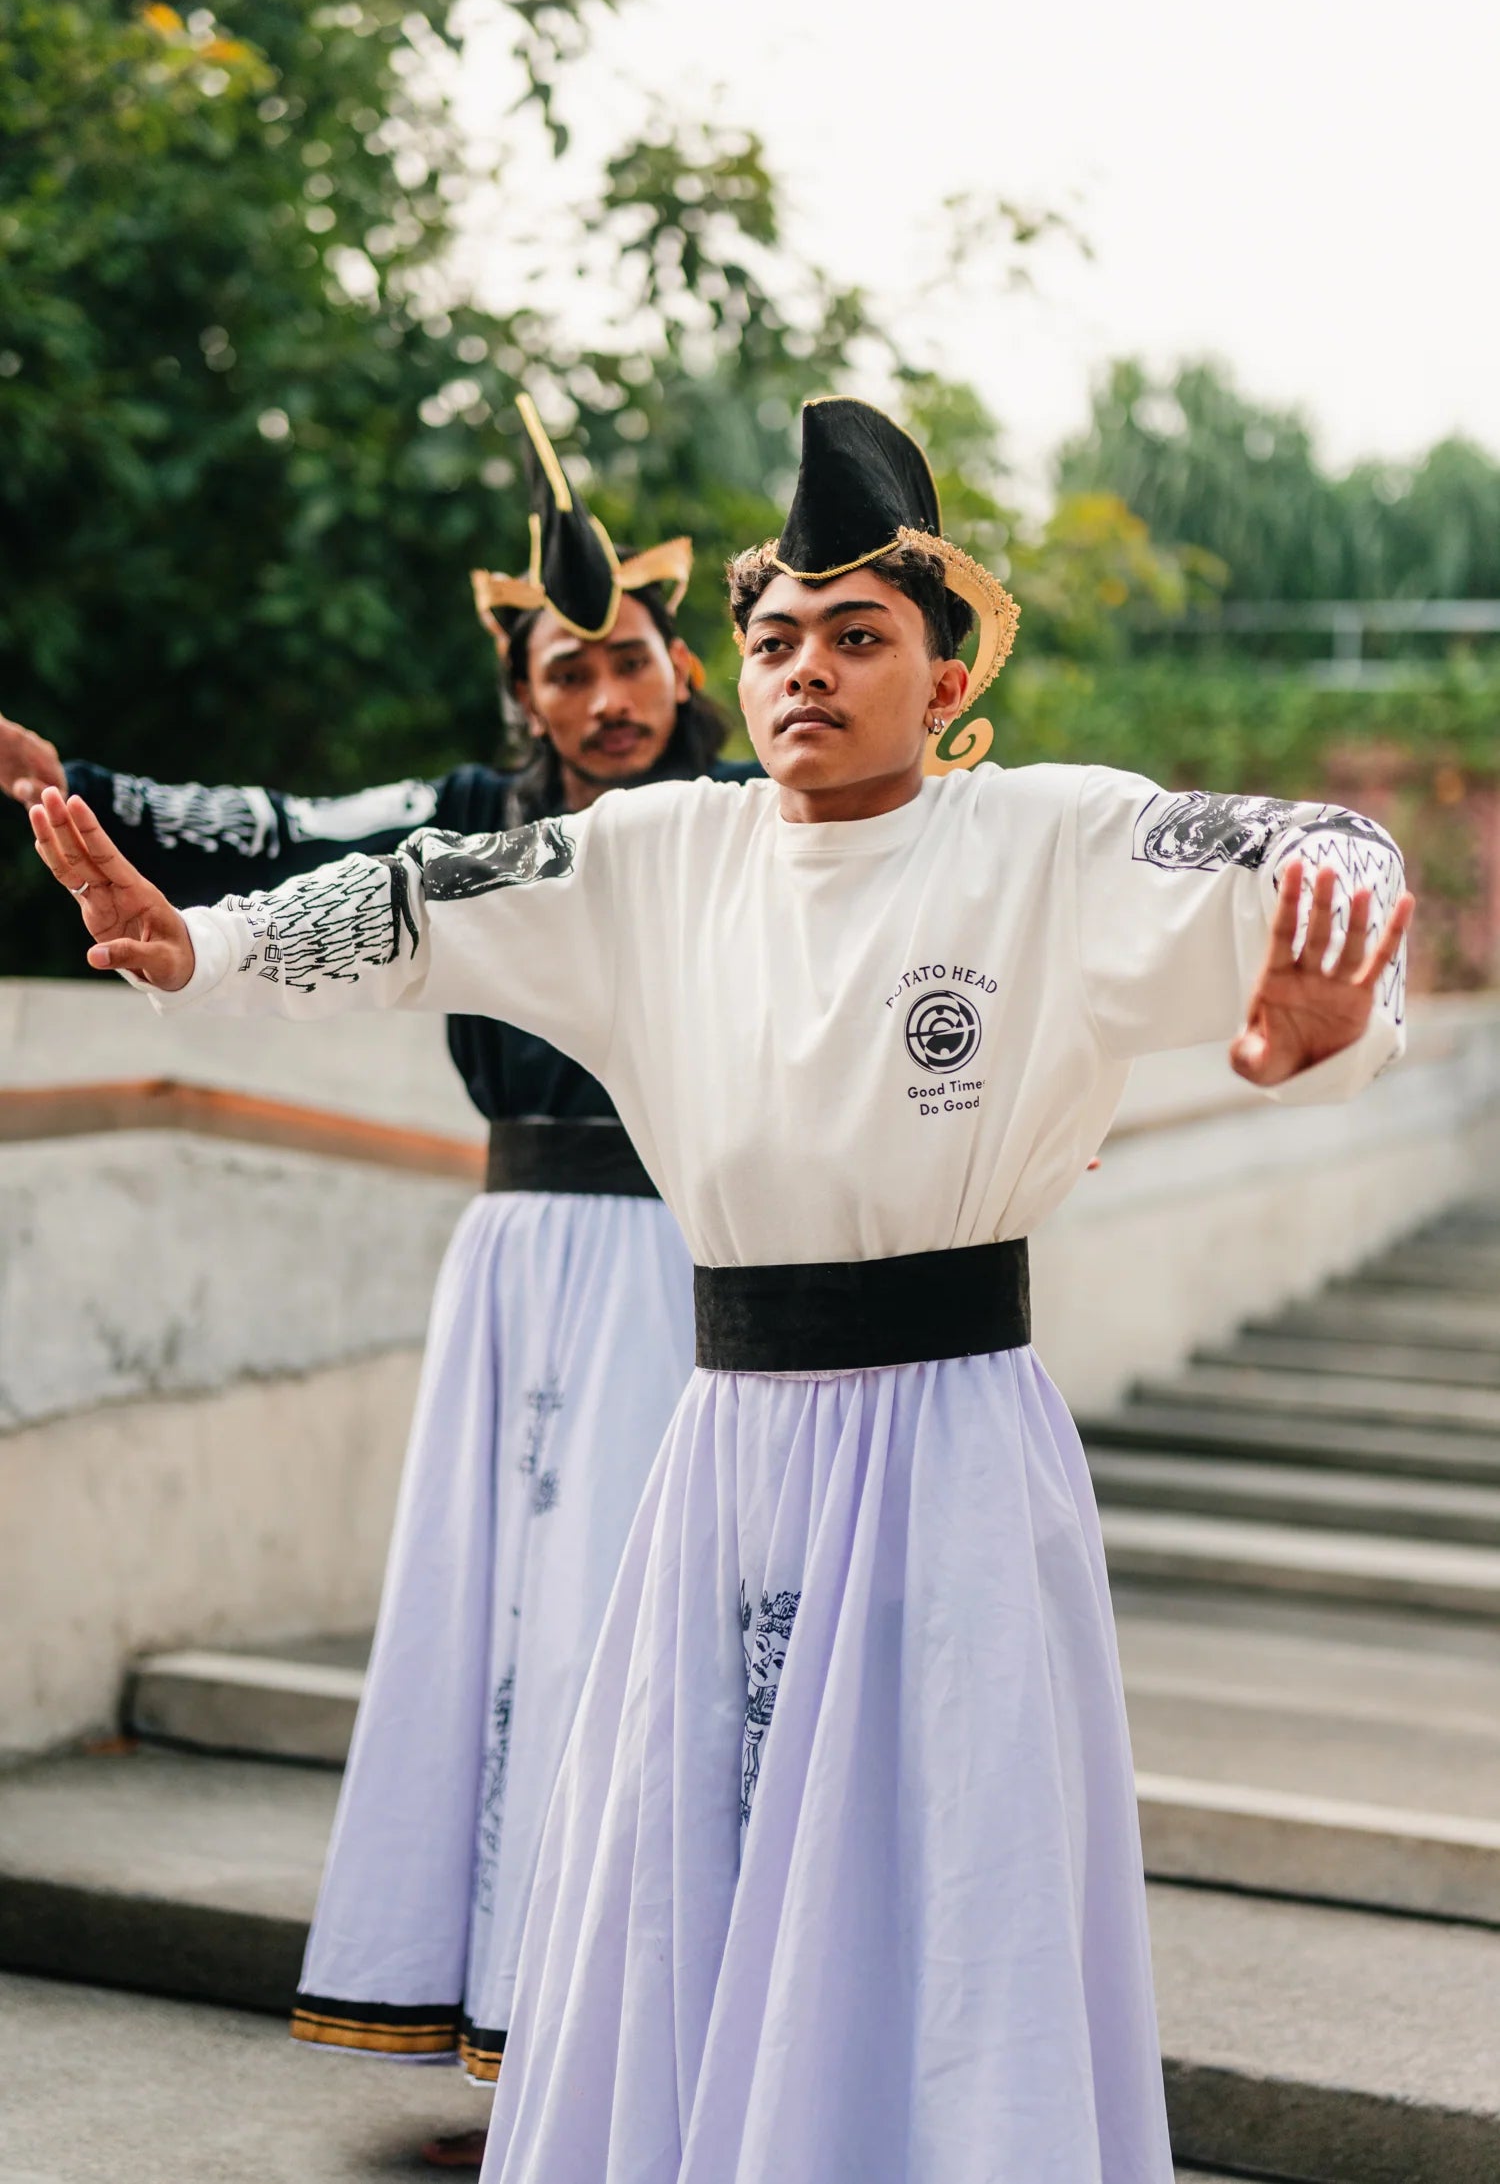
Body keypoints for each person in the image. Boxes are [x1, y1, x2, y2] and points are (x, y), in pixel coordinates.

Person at [30, 395, 1413, 2184]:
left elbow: (1320, 848)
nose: (806, 669)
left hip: (951, 1448)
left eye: (860, 635)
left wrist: (1313, 1013)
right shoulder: (654, 856)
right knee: (696, 1860)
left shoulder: (1051, 839)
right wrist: (193, 943)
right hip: (726, 1445)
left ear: (946, 681)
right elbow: (418, 906)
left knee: (947, 1861)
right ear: (735, 673)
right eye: (776, 639)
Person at [7, 396, 752, 2170]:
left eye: (630, 661)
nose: (603, 700)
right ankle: (507, 2000)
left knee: (635, 1630)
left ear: (683, 673)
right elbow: (275, 834)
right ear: (530, 699)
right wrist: (70, 790)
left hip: (689, 1257)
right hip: (517, 1253)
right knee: (502, 1623)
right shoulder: (469, 818)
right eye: (568, 675)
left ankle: (655, 2007)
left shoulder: (737, 824)